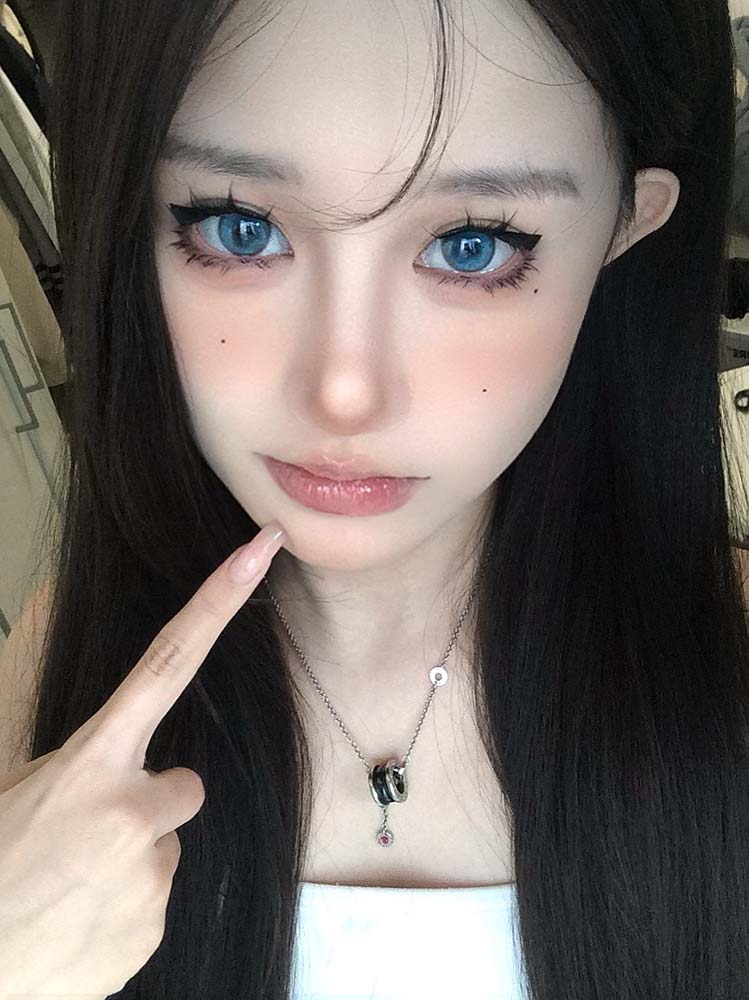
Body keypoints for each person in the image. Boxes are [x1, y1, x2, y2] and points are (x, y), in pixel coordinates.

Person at [15, 0, 748, 996]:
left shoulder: (725, 662)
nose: (343, 391)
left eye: (472, 246)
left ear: (626, 223)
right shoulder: (64, 672)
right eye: (239, 226)